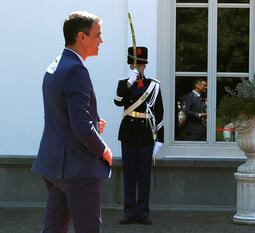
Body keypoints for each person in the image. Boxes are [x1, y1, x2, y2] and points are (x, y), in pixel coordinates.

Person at [32, 11, 112, 233]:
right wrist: (103, 149)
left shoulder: (55, 66)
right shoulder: (76, 70)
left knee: (54, 228)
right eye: (98, 35)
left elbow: (61, 115)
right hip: (78, 169)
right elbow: (81, 127)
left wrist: (94, 122)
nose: (101, 41)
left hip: (54, 166)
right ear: (81, 37)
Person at [114, 46, 164, 225]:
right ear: (131, 65)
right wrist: (129, 83)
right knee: (129, 175)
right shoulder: (123, 83)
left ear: (145, 65)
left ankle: (143, 213)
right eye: (136, 64)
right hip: (128, 132)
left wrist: (160, 139)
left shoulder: (154, 86)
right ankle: (129, 212)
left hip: (145, 134)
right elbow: (117, 101)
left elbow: (159, 113)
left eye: (141, 65)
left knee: (144, 175)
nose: (139, 67)